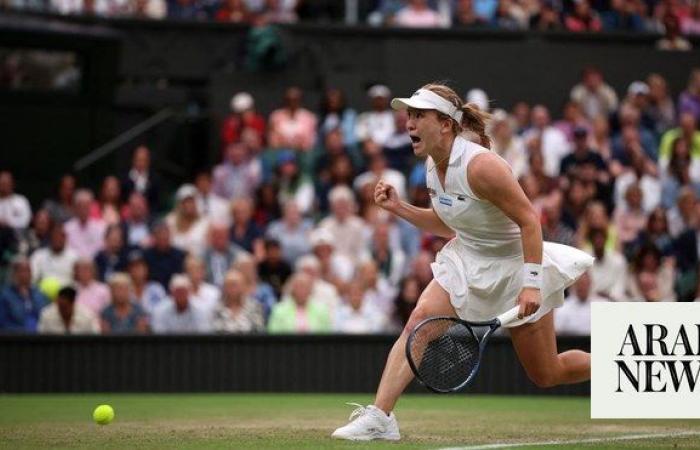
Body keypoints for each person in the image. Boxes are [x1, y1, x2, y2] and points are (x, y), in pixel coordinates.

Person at [332, 83, 594, 441]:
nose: (408, 122)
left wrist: (531, 281)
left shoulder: (481, 166)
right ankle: (381, 416)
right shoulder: (431, 165)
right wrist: (399, 208)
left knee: (547, 374)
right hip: (467, 260)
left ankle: (614, 365)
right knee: (419, 321)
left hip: (516, 266)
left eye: (418, 115)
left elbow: (530, 221)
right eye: (408, 114)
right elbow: (449, 222)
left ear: (444, 124)